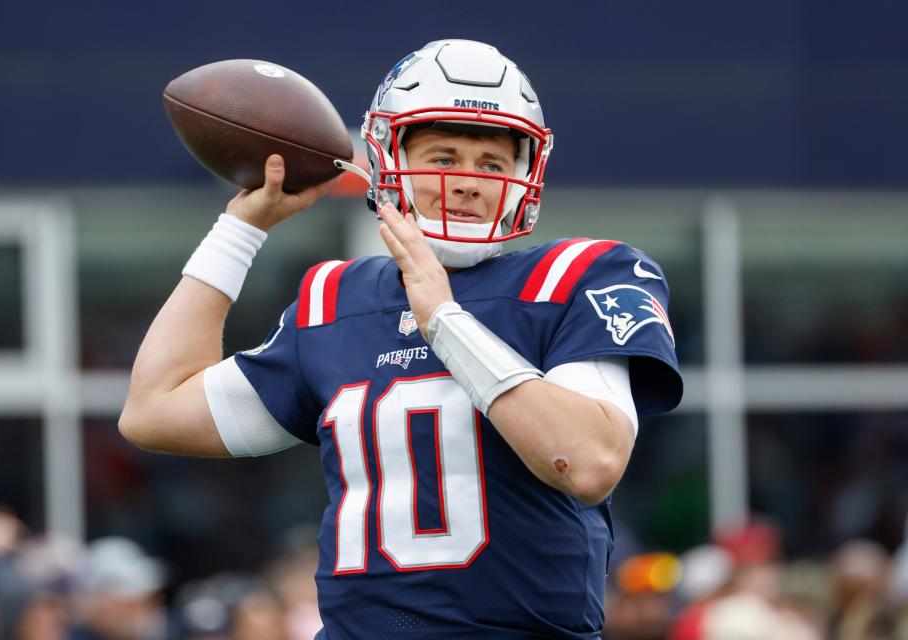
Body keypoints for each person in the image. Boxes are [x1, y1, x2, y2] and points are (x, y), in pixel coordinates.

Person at [120, 39, 682, 639]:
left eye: (491, 164)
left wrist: (443, 317)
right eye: (443, 157)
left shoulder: (578, 276)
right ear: (388, 159)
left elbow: (589, 460)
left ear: (523, 175)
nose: (468, 182)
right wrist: (239, 230)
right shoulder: (335, 299)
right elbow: (154, 410)